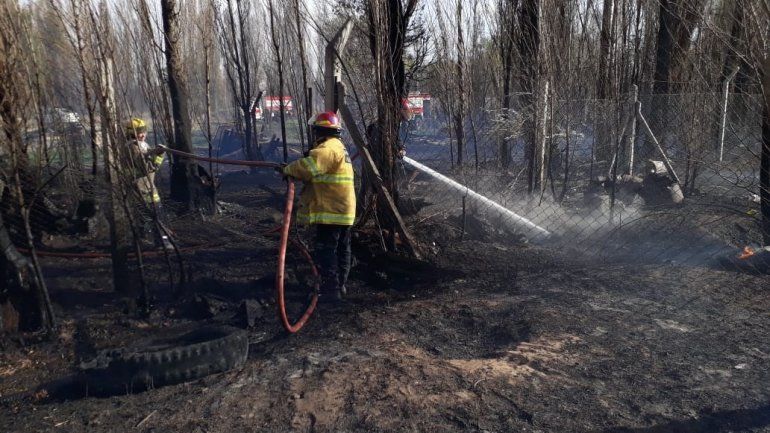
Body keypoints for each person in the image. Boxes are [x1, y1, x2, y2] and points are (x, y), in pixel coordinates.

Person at [279, 112, 355, 302]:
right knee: (342, 249)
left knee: (325, 250)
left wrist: (287, 169)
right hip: (343, 211)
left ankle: (331, 291)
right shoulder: (339, 148)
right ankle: (340, 286)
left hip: (331, 211)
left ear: (320, 131)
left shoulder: (328, 148)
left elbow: (309, 168)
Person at [124, 118, 174, 251]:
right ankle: (162, 243)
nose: (142, 134)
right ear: (130, 133)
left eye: (143, 131)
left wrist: (156, 151)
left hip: (147, 186)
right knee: (156, 215)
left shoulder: (142, 145)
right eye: (138, 132)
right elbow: (148, 168)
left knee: (153, 215)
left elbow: (147, 155)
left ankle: (143, 242)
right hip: (142, 188)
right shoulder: (133, 147)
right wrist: (160, 156)